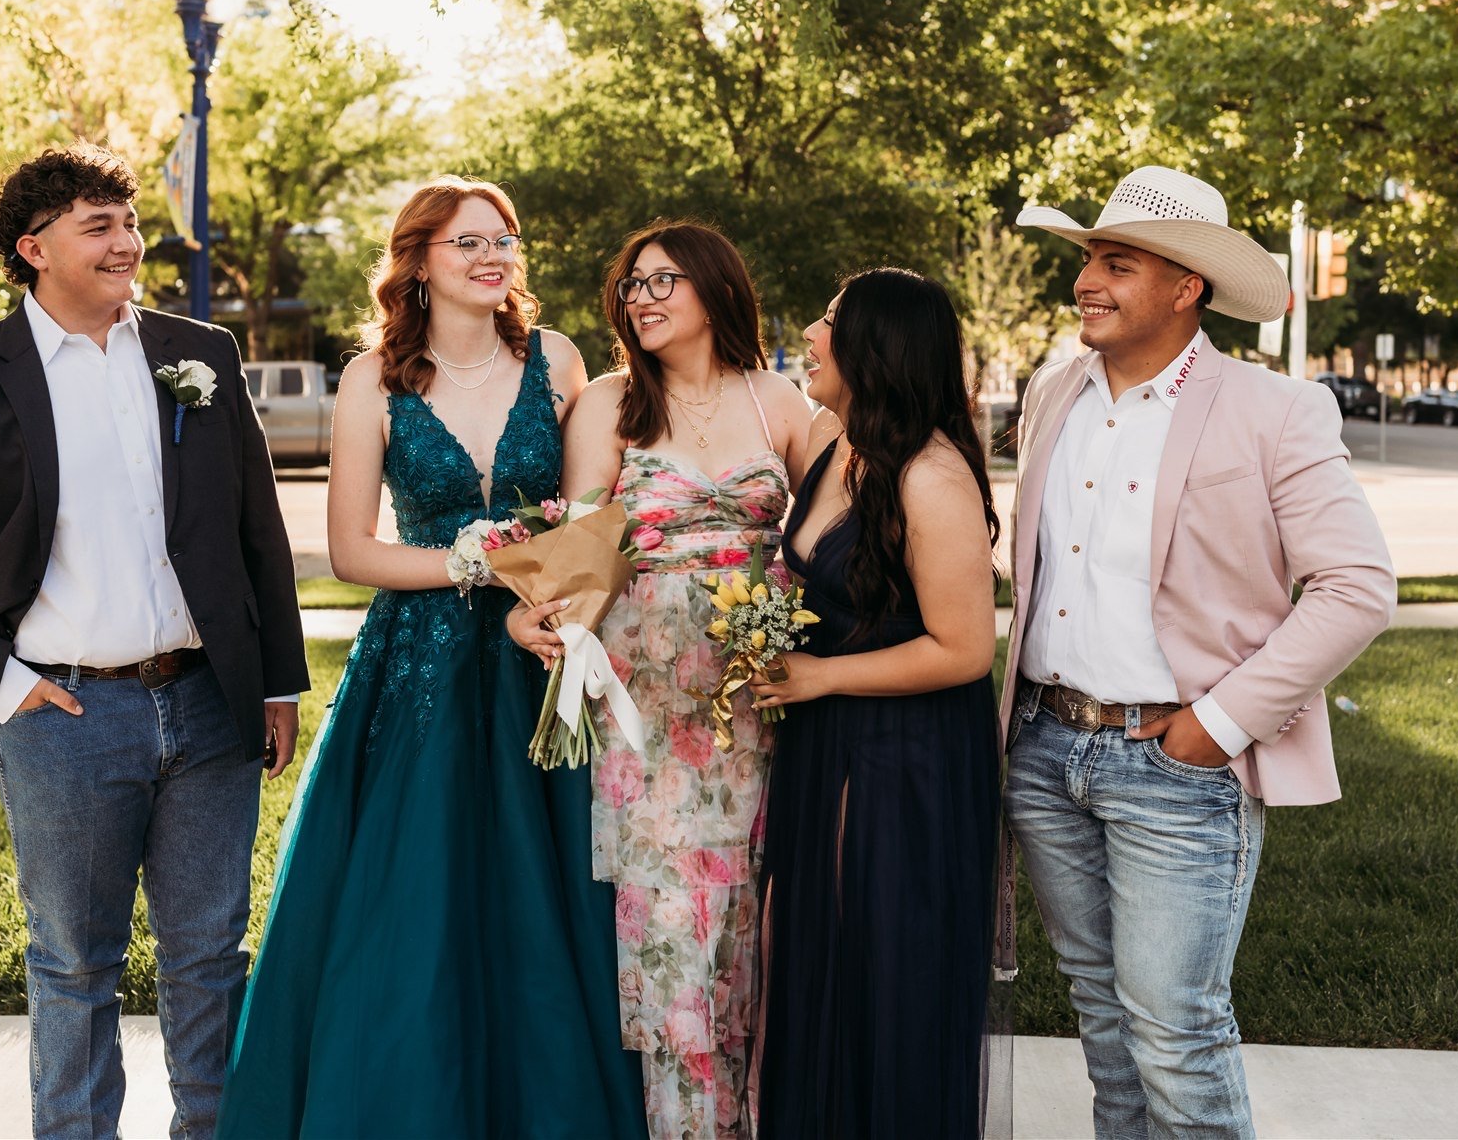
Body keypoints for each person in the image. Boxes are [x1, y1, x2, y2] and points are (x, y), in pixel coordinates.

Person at [0, 144, 308, 1139]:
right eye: (98, 225)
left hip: (204, 702)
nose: (127, 243)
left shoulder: (201, 356)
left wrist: (275, 681)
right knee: (73, 964)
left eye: (129, 222)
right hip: (59, 713)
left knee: (209, 955)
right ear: (33, 247)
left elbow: (253, 532)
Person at [218, 176, 644, 1140]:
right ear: (418, 261)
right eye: (469, 243)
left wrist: (549, 583)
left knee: (549, 895)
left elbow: (591, 516)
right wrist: (467, 560)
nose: (494, 257)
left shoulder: (559, 361)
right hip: (419, 668)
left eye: (507, 240)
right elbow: (352, 553)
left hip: (544, 652)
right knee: (414, 901)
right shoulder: (372, 380)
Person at [1005, 166, 1395, 1138]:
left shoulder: (1274, 410)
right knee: (1099, 1016)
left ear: (1185, 288)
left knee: (1175, 1029)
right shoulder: (1053, 392)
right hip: (1046, 751)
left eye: (1115, 262)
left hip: (1177, 765)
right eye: (1087, 258)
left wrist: (1214, 727)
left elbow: (1355, 587)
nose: (1084, 281)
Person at [512, 219, 815, 1140]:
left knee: (759, 926)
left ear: (718, 289)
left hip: (762, 709)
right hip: (647, 719)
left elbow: (839, 530)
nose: (640, 298)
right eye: (632, 285)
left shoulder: (781, 402)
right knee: (676, 934)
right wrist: (536, 611)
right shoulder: (610, 404)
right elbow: (578, 547)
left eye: (662, 282)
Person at [751, 268, 1007, 1138]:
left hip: (907, 756)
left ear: (875, 348)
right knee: (820, 967)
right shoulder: (834, 447)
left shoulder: (932, 475)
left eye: (827, 323)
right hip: (829, 740)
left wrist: (821, 676)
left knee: (887, 977)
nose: (811, 338)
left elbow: (965, 649)